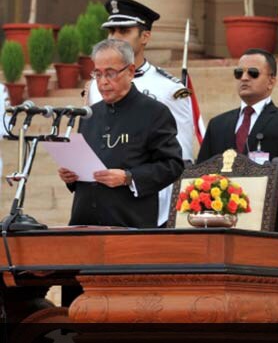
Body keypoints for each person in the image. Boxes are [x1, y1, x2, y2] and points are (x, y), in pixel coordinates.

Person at [86, 0, 196, 227]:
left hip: (148, 205)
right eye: (111, 31)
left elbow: (181, 156)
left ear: (145, 36)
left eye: (124, 31)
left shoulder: (170, 89)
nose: (115, 37)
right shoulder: (96, 86)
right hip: (100, 205)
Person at [59, 39, 184, 228]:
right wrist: (71, 177)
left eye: (110, 73)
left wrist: (129, 177)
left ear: (131, 71)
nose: (103, 82)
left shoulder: (154, 112)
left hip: (130, 223)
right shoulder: (89, 115)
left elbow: (172, 165)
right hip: (83, 223)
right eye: (97, 74)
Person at [197, 48, 278, 234]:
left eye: (253, 73)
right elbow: (202, 171)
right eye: (239, 73)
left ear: (271, 81)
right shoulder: (218, 124)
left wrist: (241, 192)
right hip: (219, 226)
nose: (244, 78)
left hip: (269, 225)